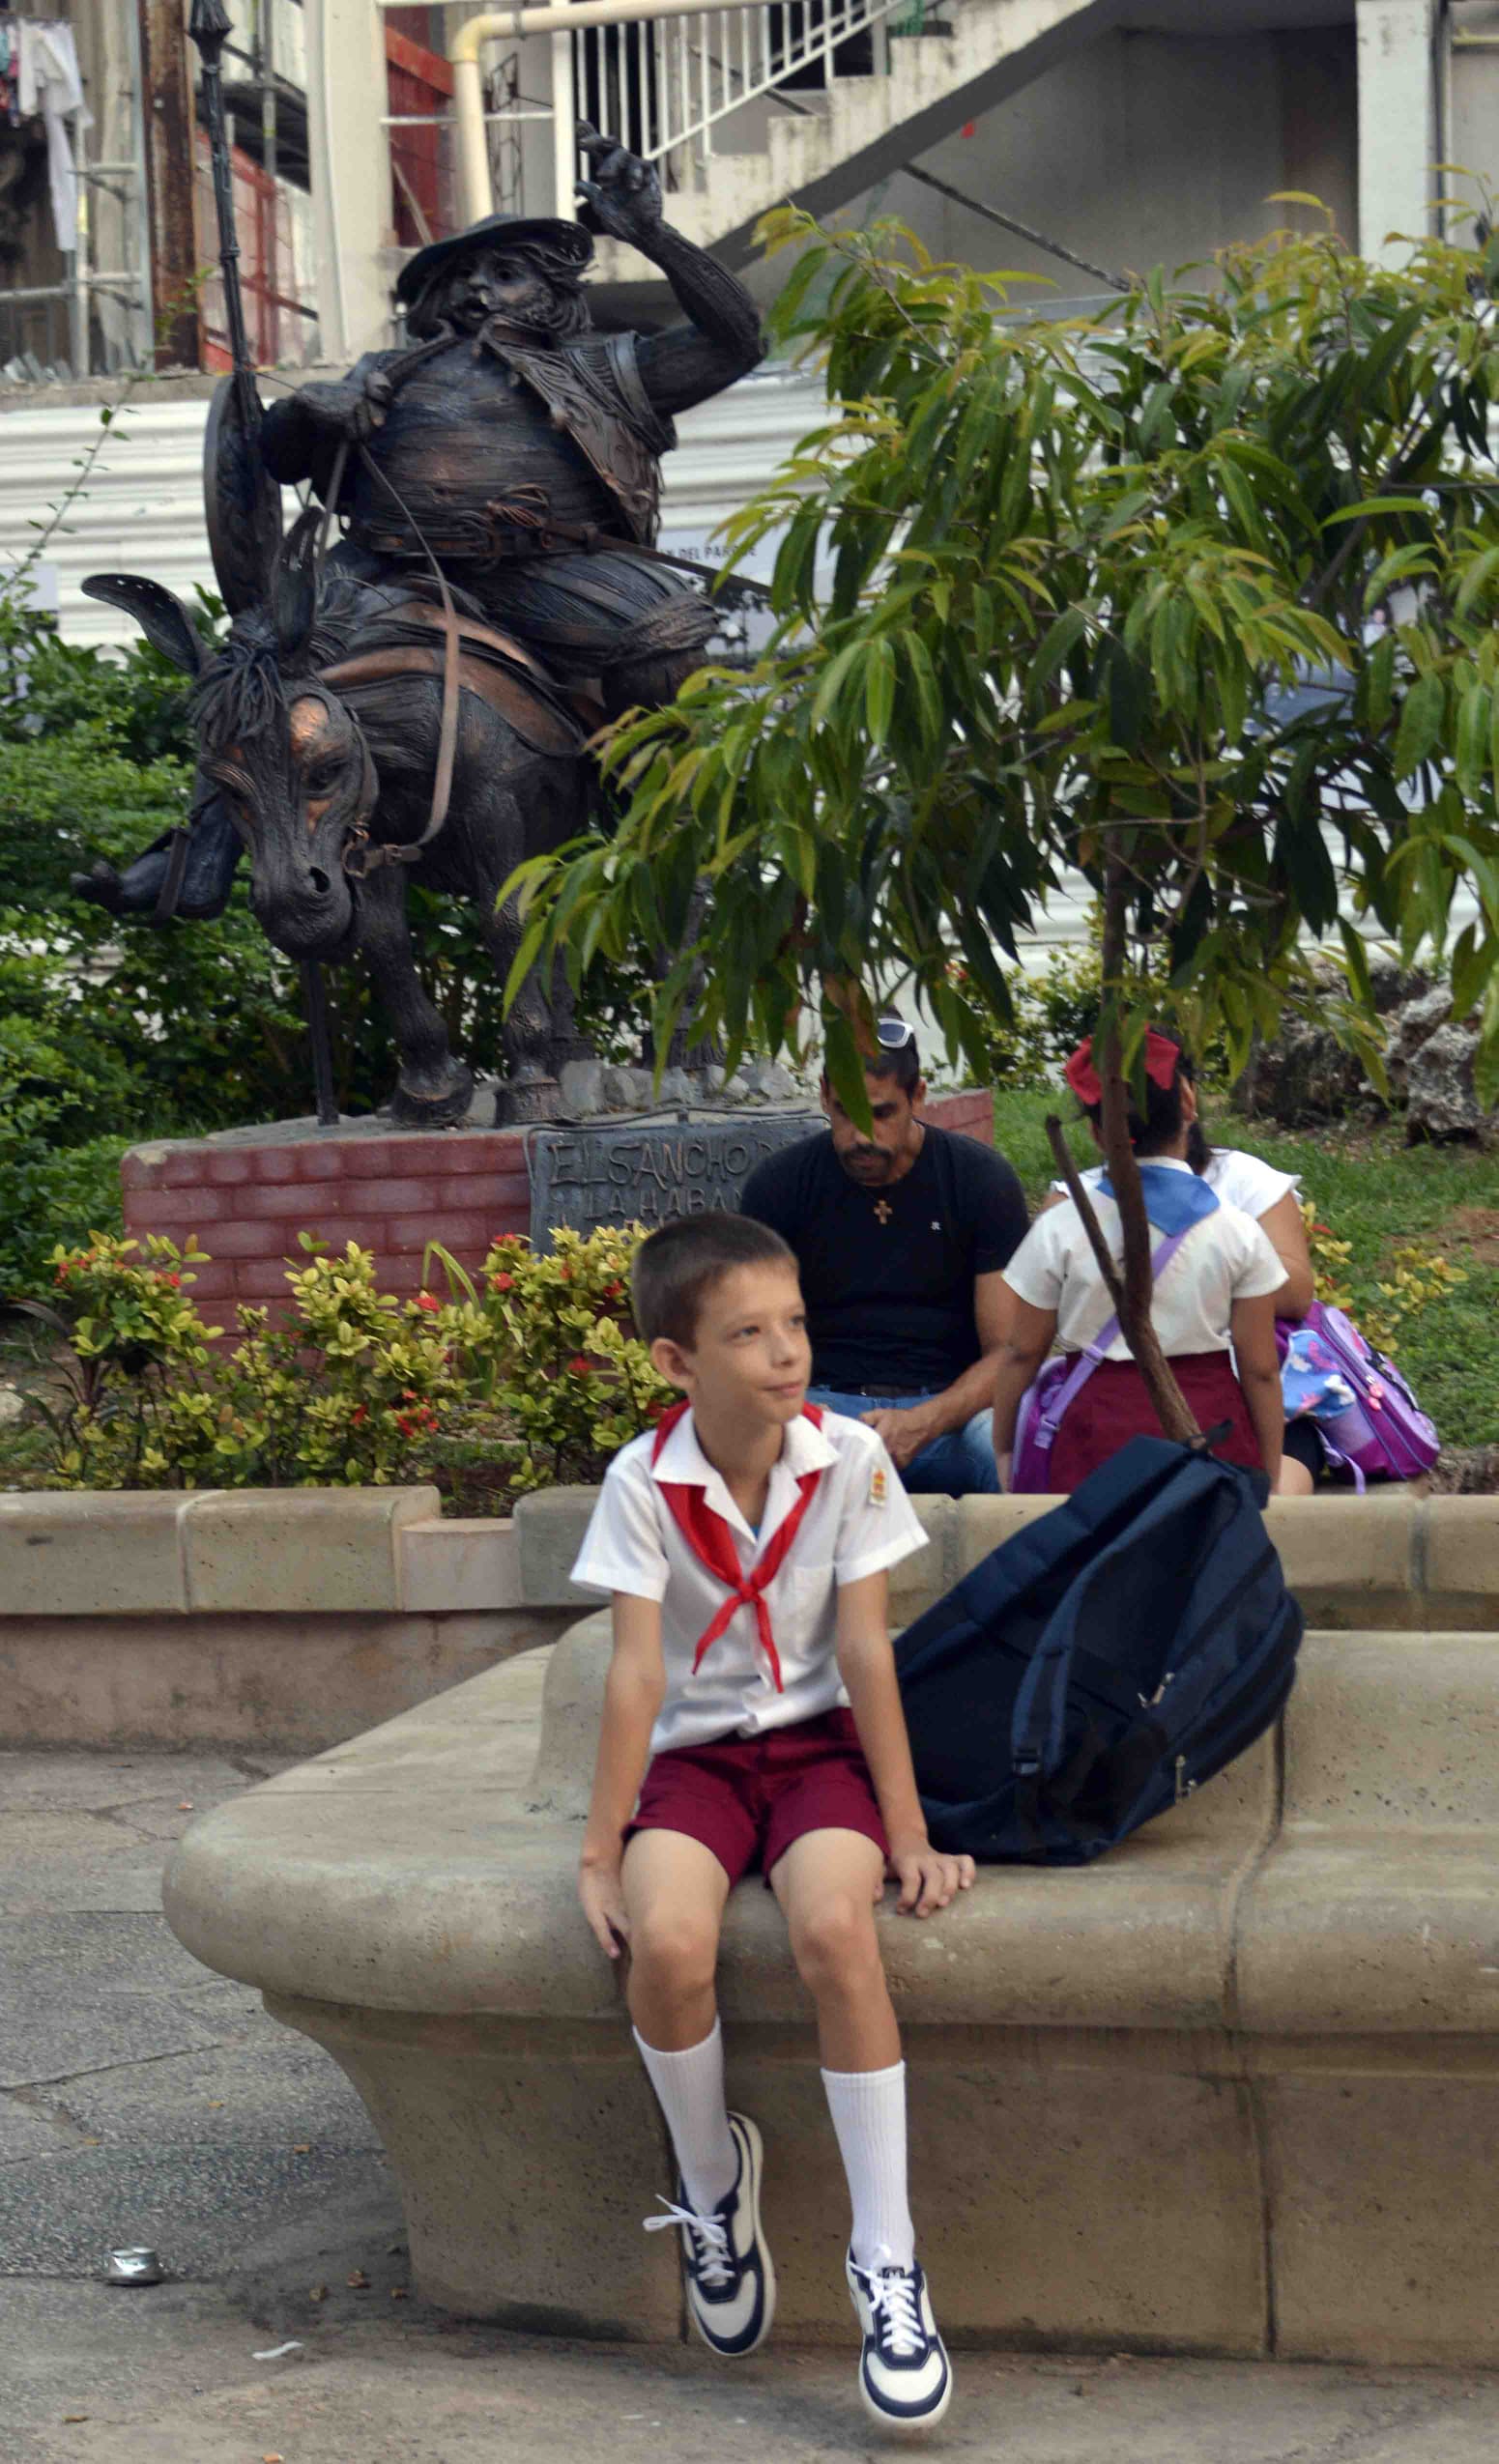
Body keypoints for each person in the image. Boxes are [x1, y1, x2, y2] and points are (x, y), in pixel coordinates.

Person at [75, 127, 764, 924]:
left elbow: (736, 340)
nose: (478, 290)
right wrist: (307, 406)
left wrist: (650, 233)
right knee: (258, 657)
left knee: (665, 635)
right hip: (385, 574)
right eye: (460, 277)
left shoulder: (608, 370)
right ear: (430, 302)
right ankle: (198, 853)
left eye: (505, 275)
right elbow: (272, 460)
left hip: (549, 572)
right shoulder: (383, 377)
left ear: (552, 293)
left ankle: (669, 834)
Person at [570, 1210, 972, 2429]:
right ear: (677, 1361)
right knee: (670, 1943)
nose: (785, 1353)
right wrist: (600, 1852)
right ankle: (711, 2190)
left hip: (815, 1760)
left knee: (837, 1935)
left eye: (793, 1324)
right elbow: (638, 1676)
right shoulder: (643, 1481)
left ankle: (888, 2265)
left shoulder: (849, 1456)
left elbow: (865, 1649)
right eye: (746, 1334)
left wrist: (906, 1829)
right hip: (696, 1766)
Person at [739, 1021, 1029, 1496]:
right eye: (844, 1113)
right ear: (823, 1097)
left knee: (1006, 1454)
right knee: (749, 1448)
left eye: (880, 1113)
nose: (860, 1136)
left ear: (918, 1096)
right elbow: (749, 1334)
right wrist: (798, 1412)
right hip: (819, 1406)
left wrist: (925, 1421)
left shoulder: (979, 1180)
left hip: (949, 1411)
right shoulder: (780, 1186)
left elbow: (1009, 1353)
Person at [993, 1028, 1287, 1492]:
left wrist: (1005, 1449)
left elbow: (1022, 1352)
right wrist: (1268, 1472)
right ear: (1188, 1104)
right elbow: (1261, 1371)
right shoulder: (1239, 1232)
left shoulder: (1060, 1228)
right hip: (1210, 1435)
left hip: (1091, 1443)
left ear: (1095, 1131)